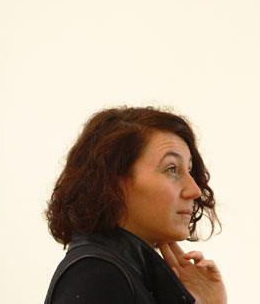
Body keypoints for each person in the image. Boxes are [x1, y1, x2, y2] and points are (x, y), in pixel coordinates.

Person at [45, 107, 226, 303]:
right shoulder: (97, 276)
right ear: (112, 182)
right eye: (172, 169)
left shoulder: (120, 273)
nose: (195, 190)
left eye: (189, 170)